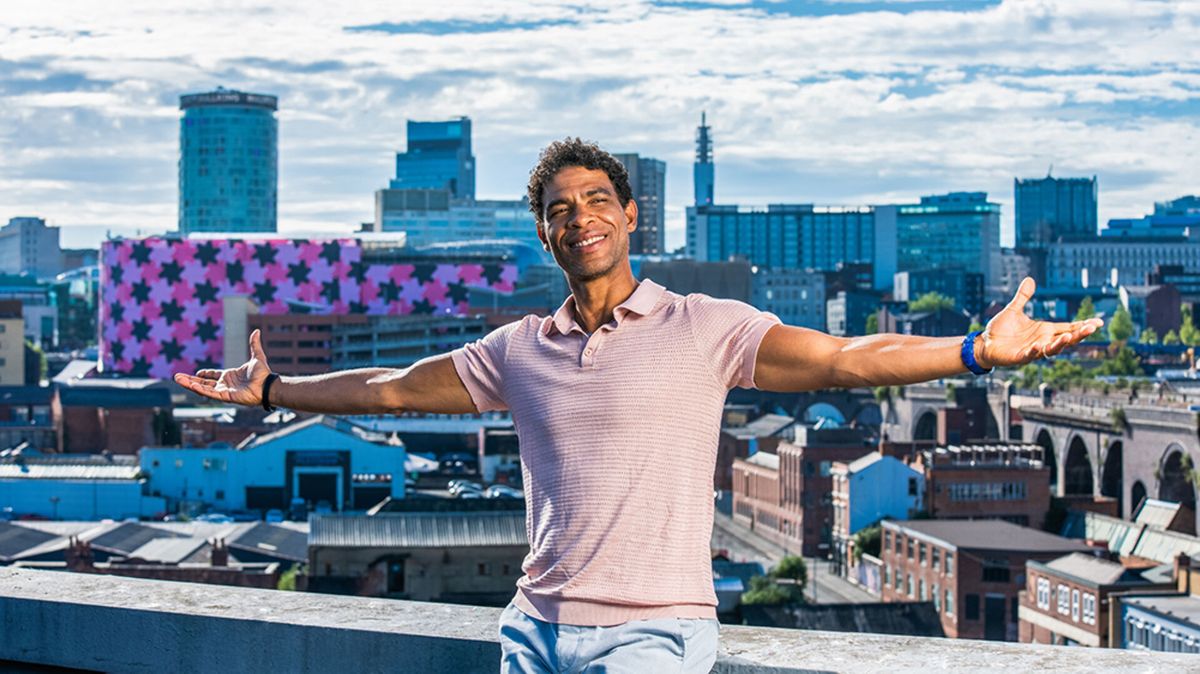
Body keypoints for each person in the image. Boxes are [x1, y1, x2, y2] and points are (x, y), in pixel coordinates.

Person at [175, 138, 1102, 673]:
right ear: (544, 233)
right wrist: (272, 390)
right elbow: (389, 387)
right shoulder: (517, 350)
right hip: (532, 629)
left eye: (597, 200)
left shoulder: (706, 326)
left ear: (628, 216)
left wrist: (977, 350)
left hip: (655, 635)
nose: (580, 217)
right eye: (559, 208)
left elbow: (845, 358)